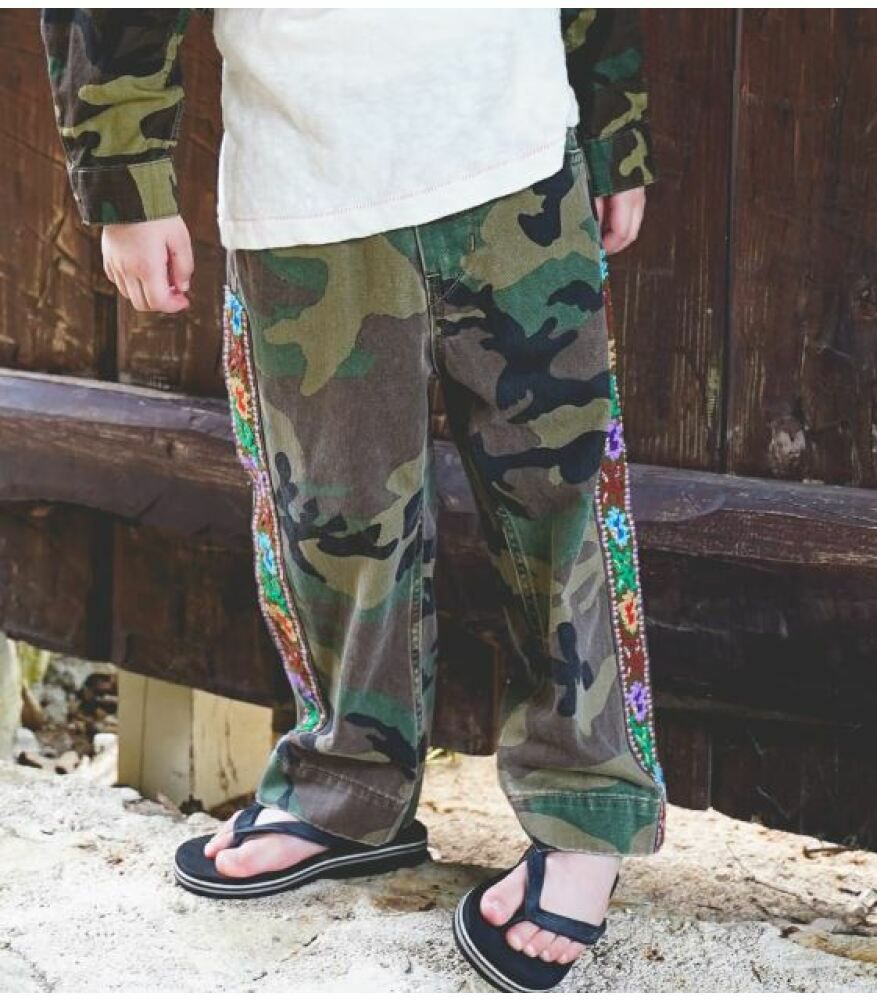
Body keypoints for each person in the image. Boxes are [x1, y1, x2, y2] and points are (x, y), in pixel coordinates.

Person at [40, 9, 668, 991]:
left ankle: (587, 808)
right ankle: (347, 781)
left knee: (562, 506)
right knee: (334, 523)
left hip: (519, 153)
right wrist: (125, 177)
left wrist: (612, 123)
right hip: (308, 185)